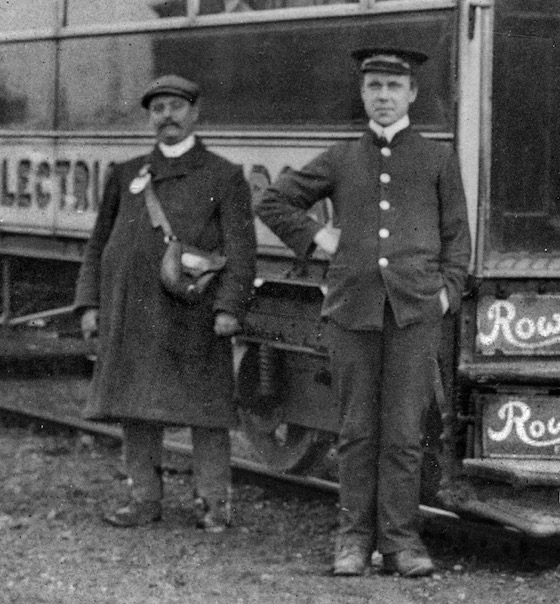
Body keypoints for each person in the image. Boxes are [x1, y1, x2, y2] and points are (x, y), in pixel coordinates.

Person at [256, 48, 471, 576]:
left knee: (403, 432)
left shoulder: (438, 158)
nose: (382, 96)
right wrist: (319, 238)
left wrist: (446, 294)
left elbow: (457, 240)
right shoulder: (340, 156)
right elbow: (271, 201)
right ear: (362, 93)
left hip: (415, 312)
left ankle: (401, 543)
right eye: (373, 86)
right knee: (356, 431)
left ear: (412, 94)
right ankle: (351, 541)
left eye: (393, 87)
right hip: (352, 310)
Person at [74, 74, 256, 531]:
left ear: (195, 113)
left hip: (194, 312)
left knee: (207, 412)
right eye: (158, 109)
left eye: (176, 106)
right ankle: (143, 500)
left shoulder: (224, 175)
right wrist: (89, 303)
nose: (167, 117)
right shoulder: (127, 173)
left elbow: (241, 251)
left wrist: (229, 308)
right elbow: (98, 244)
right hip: (132, 311)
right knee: (135, 406)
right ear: (150, 118)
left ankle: (214, 504)